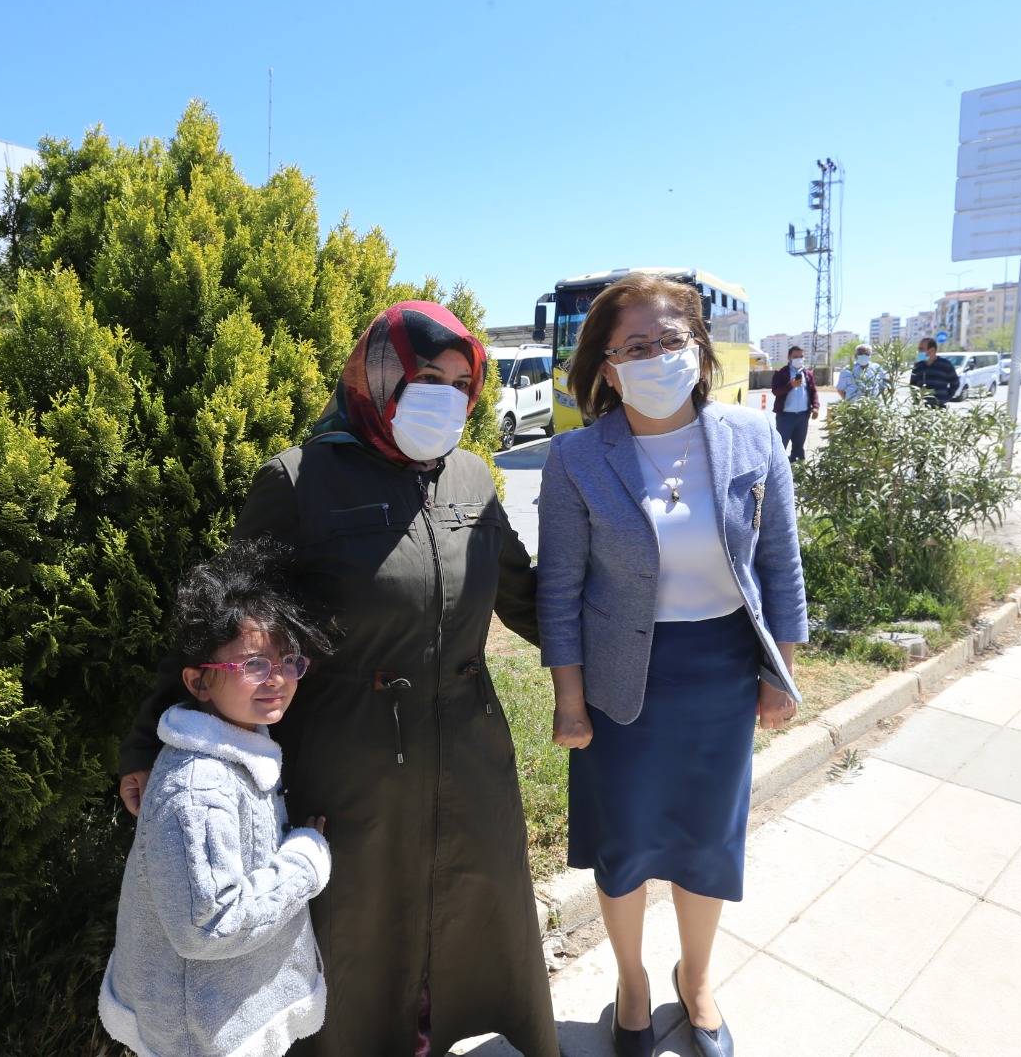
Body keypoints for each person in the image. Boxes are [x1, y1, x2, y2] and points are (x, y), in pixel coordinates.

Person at [117, 302, 558, 1057]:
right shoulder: (299, 480)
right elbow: (225, 613)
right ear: (379, 373)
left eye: (461, 383)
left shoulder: (473, 480)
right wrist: (143, 741)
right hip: (350, 760)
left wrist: (640, 627)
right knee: (358, 940)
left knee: (464, 916)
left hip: (471, 756)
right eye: (427, 376)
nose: (445, 397)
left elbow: (530, 601)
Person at [537, 274, 807, 1057]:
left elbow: (781, 566)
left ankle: (696, 979)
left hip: (721, 674)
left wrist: (778, 670)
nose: (657, 356)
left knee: (705, 842)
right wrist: (569, 700)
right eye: (635, 346)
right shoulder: (576, 458)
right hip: (622, 685)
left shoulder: (753, 438)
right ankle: (631, 982)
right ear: (608, 365)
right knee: (622, 848)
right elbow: (560, 591)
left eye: (670, 339)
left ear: (700, 346)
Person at [100, 540, 334, 1057]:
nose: (277, 678)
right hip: (201, 1029)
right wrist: (304, 862)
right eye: (253, 665)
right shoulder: (197, 790)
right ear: (198, 682)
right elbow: (210, 924)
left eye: (288, 661)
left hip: (219, 1011)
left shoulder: (243, 745)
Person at [769, 345, 819, 462]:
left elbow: (813, 392)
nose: (799, 359)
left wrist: (815, 407)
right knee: (780, 446)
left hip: (802, 416)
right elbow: (776, 391)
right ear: (789, 357)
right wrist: (790, 385)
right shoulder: (781, 373)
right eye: (795, 357)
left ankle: (798, 473)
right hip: (785, 416)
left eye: (801, 356)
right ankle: (778, 472)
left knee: (798, 447)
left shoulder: (807, 374)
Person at [909, 337, 959, 408]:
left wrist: (946, 397)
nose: (919, 351)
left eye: (921, 349)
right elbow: (912, 385)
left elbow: (955, 383)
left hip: (939, 407)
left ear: (932, 350)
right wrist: (916, 399)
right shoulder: (918, 367)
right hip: (921, 407)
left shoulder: (945, 365)